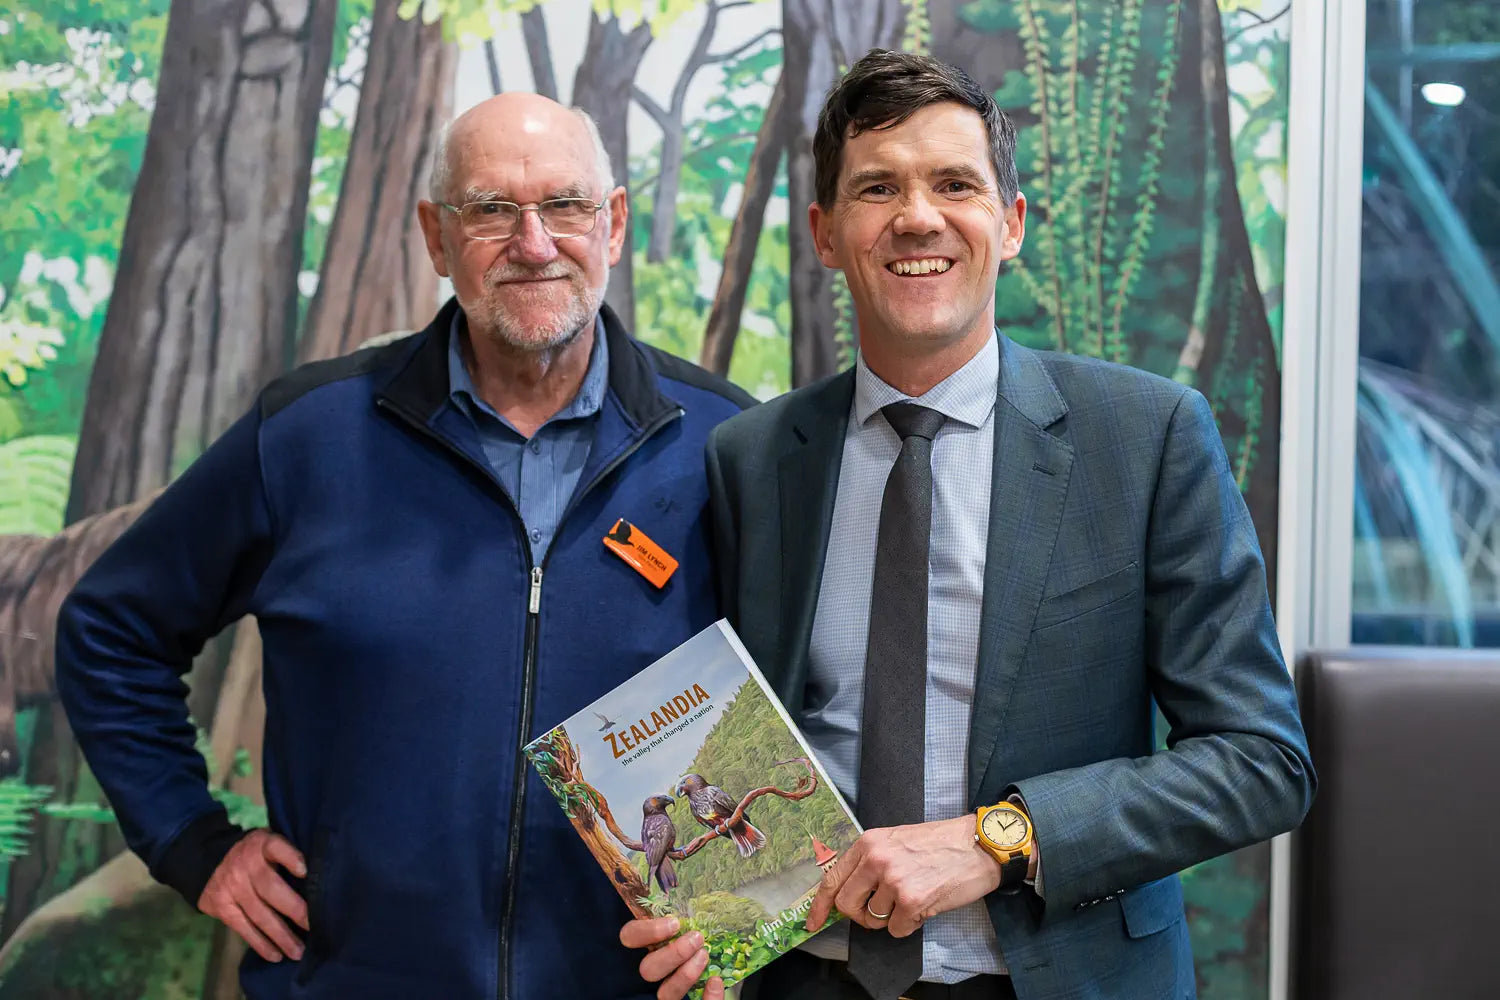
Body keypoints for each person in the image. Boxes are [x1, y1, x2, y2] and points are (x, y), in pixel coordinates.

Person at [623, 49, 1315, 1000]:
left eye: (955, 183)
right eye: (877, 188)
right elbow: (747, 737)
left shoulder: (1145, 438)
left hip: (1062, 977)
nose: (918, 216)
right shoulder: (754, 457)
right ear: (826, 233)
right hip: (809, 981)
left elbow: (1260, 761)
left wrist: (1000, 839)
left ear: (1011, 221)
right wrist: (707, 905)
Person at [56, 92, 754, 1000]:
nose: (534, 242)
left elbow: (810, 688)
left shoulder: (724, 443)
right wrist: (193, 844)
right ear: (435, 236)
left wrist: (742, 906)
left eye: (567, 206)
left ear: (613, 223)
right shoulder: (308, 435)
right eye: (492, 210)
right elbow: (109, 631)